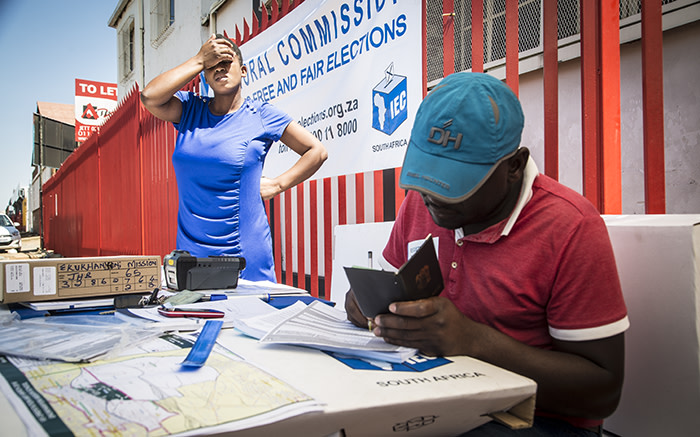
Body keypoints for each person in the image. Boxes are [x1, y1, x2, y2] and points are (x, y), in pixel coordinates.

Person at [344, 72, 629, 436]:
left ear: (514, 166)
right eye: (427, 173)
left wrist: (473, 342)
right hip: (428, 396)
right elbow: (390, 288)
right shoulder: (422, 201)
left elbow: (601, 393)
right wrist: (368, 305)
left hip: (534, 420)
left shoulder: (569, 227)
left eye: (456, 181)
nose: (433, 196)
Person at [141, 34, 327, 282]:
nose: (219, 69)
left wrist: (278, 184)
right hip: (192, 253)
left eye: (226, 62)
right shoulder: (189, 111)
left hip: (243, 252)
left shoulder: (261, 115)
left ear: (243, 69)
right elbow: (149, 97)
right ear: (205, 77)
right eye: (211, 66)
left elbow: (316, 151)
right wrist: (198, 59)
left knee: (248, 319)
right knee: (194, 319)